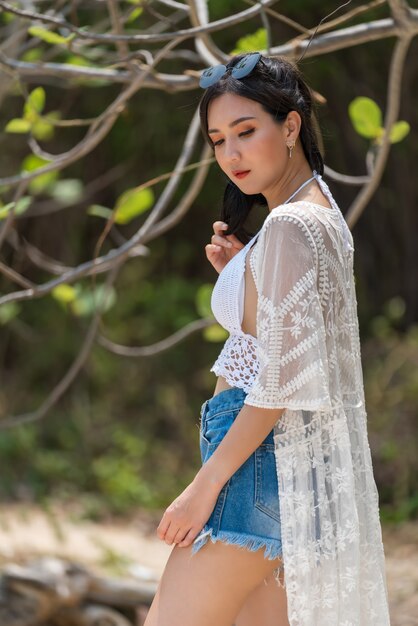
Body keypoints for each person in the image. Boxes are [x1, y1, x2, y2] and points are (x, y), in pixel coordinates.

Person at [144, 52, 390, 626]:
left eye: (246, 131)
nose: (230, 154)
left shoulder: (287, 224)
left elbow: (280, 382)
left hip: (254, 466)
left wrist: (203, 488)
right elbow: (293, 343)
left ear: (291, 124)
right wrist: (245, 275)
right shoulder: (321, 212)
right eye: (217, 139)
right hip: (294, 478)